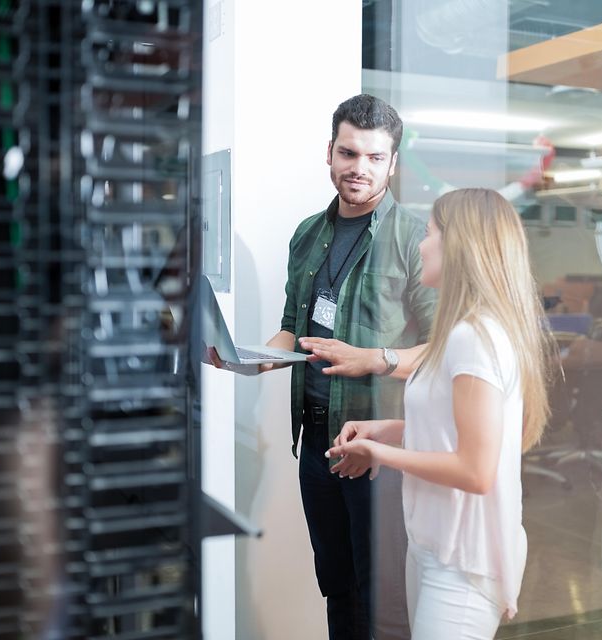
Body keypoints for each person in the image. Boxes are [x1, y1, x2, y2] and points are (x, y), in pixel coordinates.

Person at [206, 94, 435, 639]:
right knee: (336, 585)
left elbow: (443, 346)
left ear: (393, 163)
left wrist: (376, 359)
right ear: (329, 152)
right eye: (349, 153)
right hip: (316, 441)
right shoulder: (308, 233)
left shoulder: (415, 239)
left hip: (380, 447)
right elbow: (293, 327)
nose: (360, 168)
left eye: (375, 157)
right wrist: (251, 361)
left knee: (384, 598)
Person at [302, 188, 555, 639]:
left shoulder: (475, 338)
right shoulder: (460, 331)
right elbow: (452, 427)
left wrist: (380, 455)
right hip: (433, 546)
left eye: (432, 233)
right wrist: (387, 431)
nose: (421, 245)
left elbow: (476, 469)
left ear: (460, 246)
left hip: (462, 562)